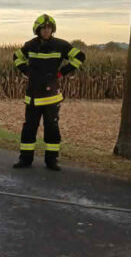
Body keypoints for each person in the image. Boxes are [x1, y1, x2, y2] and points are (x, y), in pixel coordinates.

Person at [12, 14, 86, 171]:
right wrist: (26, 70)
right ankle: (25, 159)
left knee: (52, 128)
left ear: (52, 30)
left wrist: (62, 72)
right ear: (37, 30)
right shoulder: (30, 45)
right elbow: (16, 56)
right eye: (43, 28)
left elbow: (80, 56)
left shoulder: (61, 45)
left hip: (51, 96)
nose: (46, 31)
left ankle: (52, 160)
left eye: (49, 28)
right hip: (32, 95)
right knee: (29, 128)